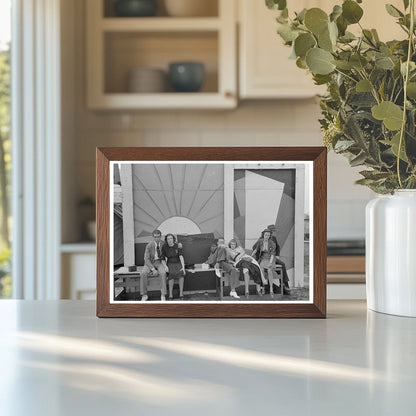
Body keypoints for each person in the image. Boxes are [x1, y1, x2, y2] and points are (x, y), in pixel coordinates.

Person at [140, 229, 167, 302]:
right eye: (155, 237)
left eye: (158, 237)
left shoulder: (163, 244)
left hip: (159, 262)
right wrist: (153, 269)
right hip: (150, 263)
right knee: (143, 273)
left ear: (160, 236)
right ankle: (144, 295)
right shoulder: (149, 245)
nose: (157, 238)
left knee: (163, 273)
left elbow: (171, 244)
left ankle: (163, 295)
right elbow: (146, 259)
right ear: (153, 237)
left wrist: (179, 245)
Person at [252, 229, 277, 298]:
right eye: (266, 235)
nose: (267, 236)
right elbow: (256, 249)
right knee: (261, 270)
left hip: (270, 258)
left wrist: (270, 263)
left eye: (268, 235)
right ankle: (263, 287)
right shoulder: (260, 241)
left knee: (269, 270)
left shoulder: (272, 243)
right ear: (263, 234)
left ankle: (271, 289)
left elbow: (273, 254)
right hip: (263, 258)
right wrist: (251, 256)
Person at [267, 224, 291, 295]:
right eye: (272, 231)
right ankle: (284, 285)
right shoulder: (262, 238)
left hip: (273, 257)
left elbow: (278, 247)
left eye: (274, 231)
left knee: (282, 265)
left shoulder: (273, 238)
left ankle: (283, 284)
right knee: (280, 266)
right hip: (266, 258)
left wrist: (277, 255)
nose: (273, 232)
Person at [162, 233, 185, 300]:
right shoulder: (164, 247)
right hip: (170, 263)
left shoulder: (177, 246)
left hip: (178, 262)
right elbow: (162, 259)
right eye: (168, 239)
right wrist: (165, 266)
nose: (170, 240)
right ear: (166, 240)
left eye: (171, 238)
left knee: (181, 274)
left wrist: (183, 267)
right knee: (171, 274)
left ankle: (181, 293)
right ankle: (170, 294)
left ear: (173, 239)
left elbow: (181, 256)